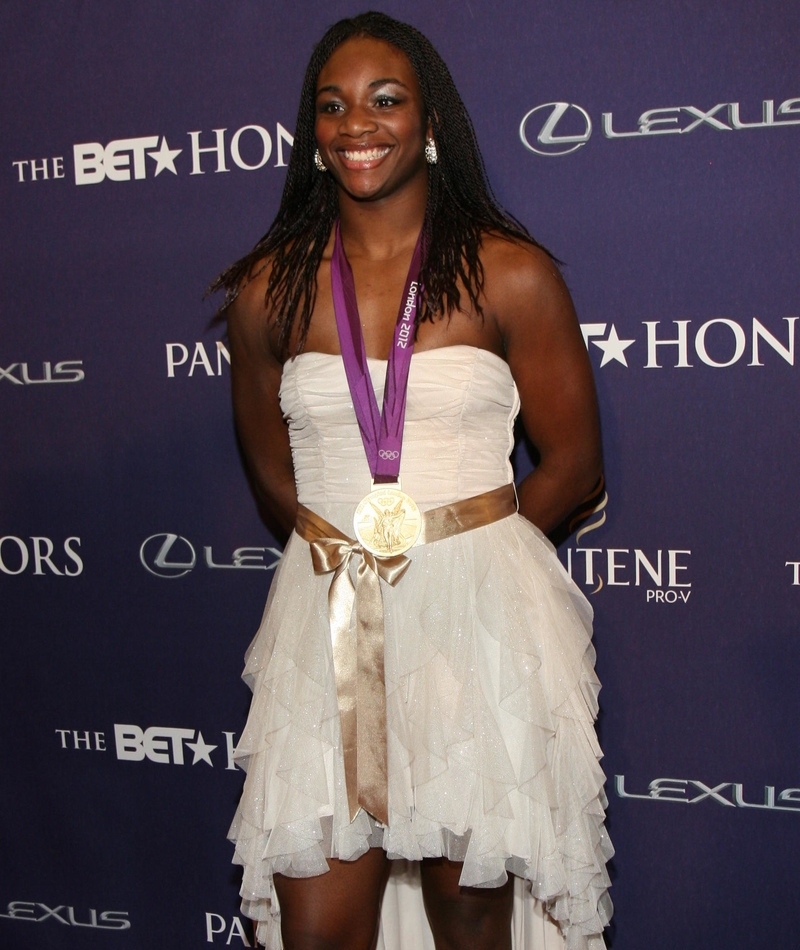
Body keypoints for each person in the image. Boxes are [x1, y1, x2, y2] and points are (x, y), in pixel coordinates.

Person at [211, 11, 612, 950]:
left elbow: (575, 465)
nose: (360, 123)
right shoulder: (270, 292)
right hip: (326, 619)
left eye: (386, 99)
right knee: (317, 914)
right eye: (333, 105)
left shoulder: (511, 275)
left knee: (469, 907)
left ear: (430, 120)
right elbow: (272, 467)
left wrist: (468, 557)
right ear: (311, 135)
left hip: (477, 621)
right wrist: (341, 553)